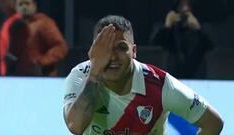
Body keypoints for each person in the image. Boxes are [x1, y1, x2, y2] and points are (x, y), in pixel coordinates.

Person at [63, 15, 223, 135]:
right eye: (105, 49)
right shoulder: (80, 75)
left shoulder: (161, 85)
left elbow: (214, 123)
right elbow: (75, 126)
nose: (112, 57)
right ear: (94, 51)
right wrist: (95, 72)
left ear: (134, 51)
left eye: (121, 47)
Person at [0, 0, 68, 76]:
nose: (24, 7)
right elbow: (12, 51)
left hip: (43, 76)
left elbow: (60, 47)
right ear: (16, 7)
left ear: (34, 6)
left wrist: (42, 61)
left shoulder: (44, 23)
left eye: (27, 3)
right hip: (20, 77)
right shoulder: (14, 25)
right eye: (21, 4)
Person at [149, 0, 214, 78]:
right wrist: (167, 27)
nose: (185, 9)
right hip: (171, 76)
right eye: (181, 5)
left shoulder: (203, 27)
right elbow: (153, 46)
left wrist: (198, 29)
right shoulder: (165, 26)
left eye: (188, 5)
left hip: (196, 76)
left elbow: (212, 47)